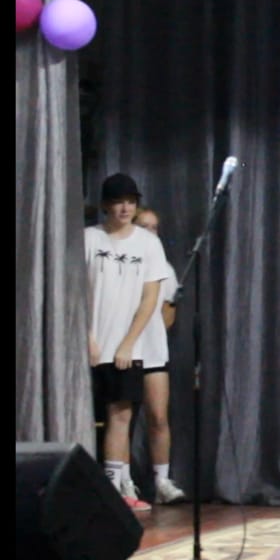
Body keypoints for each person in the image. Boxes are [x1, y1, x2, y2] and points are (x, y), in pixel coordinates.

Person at [85, 173, 170, 512]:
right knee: (91, 417)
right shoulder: (89, 238)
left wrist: (128, 343)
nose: (125, 208)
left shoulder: (148, 244)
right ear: (105, 205)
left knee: (120, 416)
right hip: (91, 344)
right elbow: (74, 290)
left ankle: (115, 489)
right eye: (118, 202)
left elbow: (151, 298)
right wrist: (87, 337)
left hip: (126, 348)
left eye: (131, 202)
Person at [132, 207, 187, 505]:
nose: (150, 233)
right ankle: (122, 481)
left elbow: (168, 313)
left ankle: (162, 481)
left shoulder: (164, 269)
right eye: (144, 226)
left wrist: (149, 334)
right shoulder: (124, 262)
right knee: (122, 417)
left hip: (153, 351)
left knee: (158, 415)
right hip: (122, 350)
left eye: (154, 228)